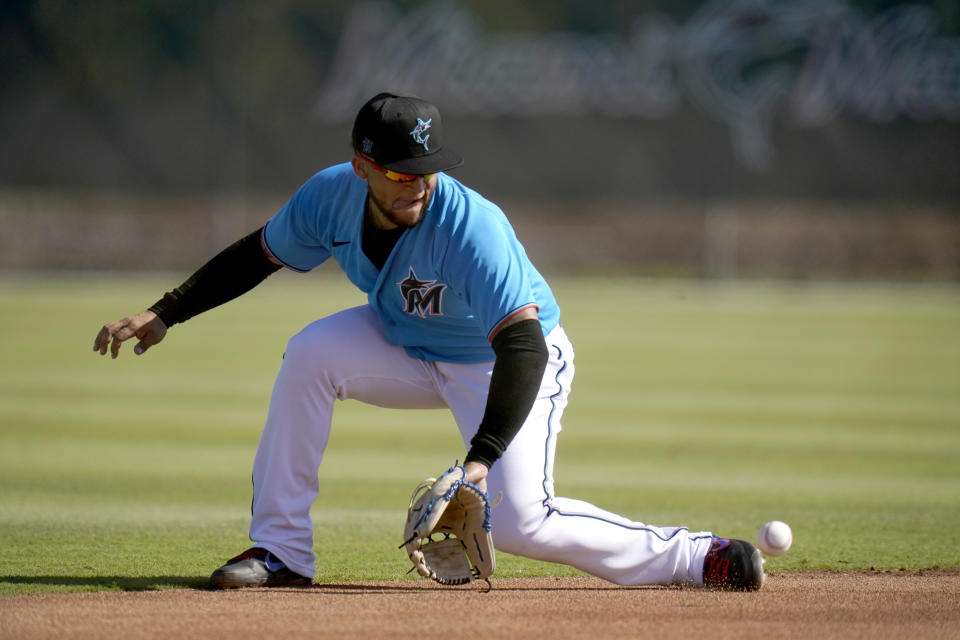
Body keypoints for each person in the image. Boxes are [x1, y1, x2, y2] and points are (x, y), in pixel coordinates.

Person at [93, 92, 765, 591]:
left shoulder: (473, 227)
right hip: (405, 344)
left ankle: (697, 556)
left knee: (525, 523)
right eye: (401, 171)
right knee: (310, 355)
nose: (418, 182)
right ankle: (281, 553)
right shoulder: (327, 198)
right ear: (363, 167)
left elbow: (525, 346)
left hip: (501, 363)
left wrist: (481, 458)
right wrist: (165, 313)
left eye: (427, 167)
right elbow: (257, 256)